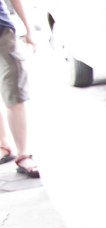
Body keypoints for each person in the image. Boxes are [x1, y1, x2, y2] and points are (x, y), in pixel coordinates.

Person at [0, 0, 40, 179]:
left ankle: (23, 154)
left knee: (14, 93)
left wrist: (28, 29)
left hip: (2, 35)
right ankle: (3, 145)